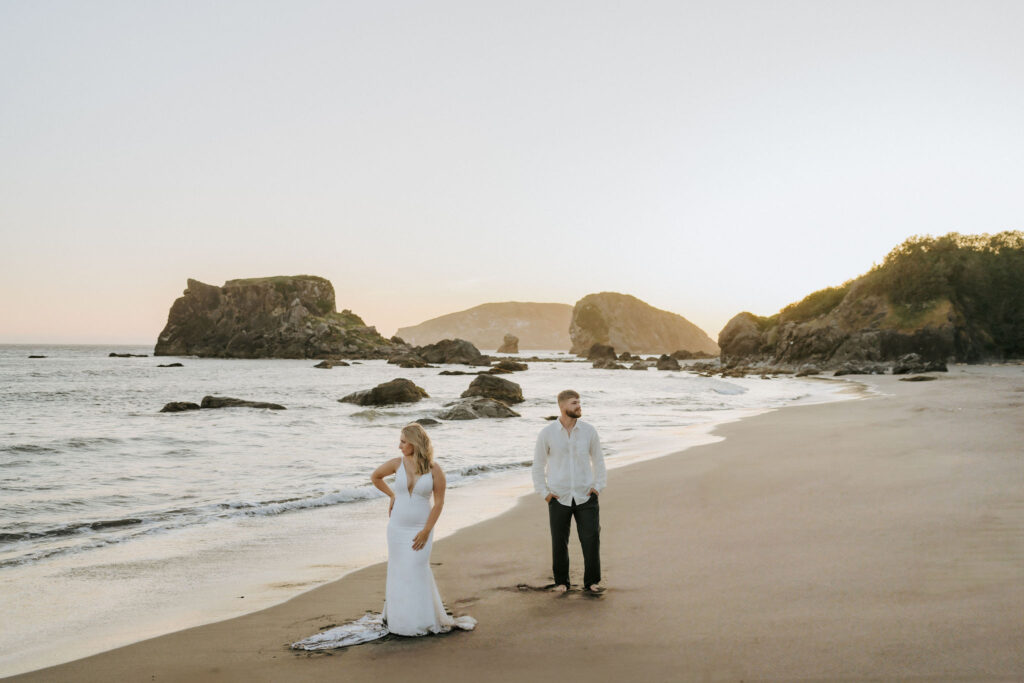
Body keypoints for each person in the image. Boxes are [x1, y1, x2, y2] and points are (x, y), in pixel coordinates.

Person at [369, 423, 475, 635]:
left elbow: (439, 504)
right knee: (399, 572)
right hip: (397, 528)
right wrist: (392, 496)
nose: (399, 446)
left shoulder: (435, 470)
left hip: (420, 528)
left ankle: (421, 620)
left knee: (416, 569)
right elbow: (375, 477)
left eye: (403, 442)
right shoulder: (396, 464)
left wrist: (427, 530)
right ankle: (400, 621)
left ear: (415, 443)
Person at [532, 389, 607, 594]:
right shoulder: (547, 433)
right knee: (559, 542)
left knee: (591, 539)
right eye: (574, 403)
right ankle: (562, 583)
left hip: (586, 495)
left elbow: (599, 461)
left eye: (579, 402)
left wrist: (598, 487)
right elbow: (538, 465)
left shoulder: (589, 431)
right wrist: (544, 493)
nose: (579, 406)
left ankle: (592, 582)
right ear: (563, 406)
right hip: (558, 496)